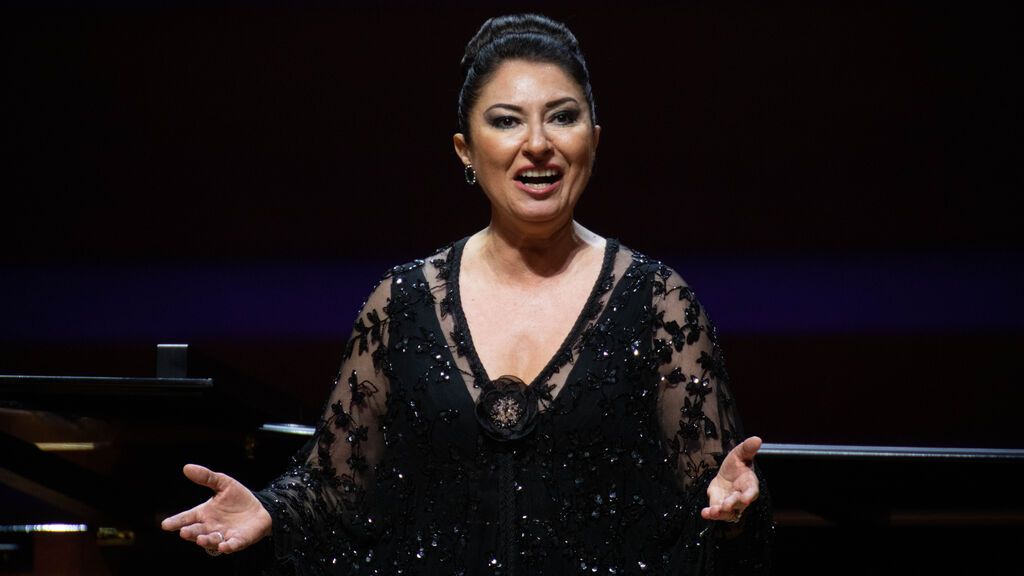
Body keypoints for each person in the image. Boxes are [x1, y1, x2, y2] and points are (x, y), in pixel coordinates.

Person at [162, 13, 772, 575]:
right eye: (507, 120)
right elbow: (334, 494)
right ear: (466, 151)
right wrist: (272, 511)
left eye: (562, 116)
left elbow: (714, 503)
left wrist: (739, 503)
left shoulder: (659, 304)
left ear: (594, 138)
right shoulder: (400, 303)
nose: (538, 143)